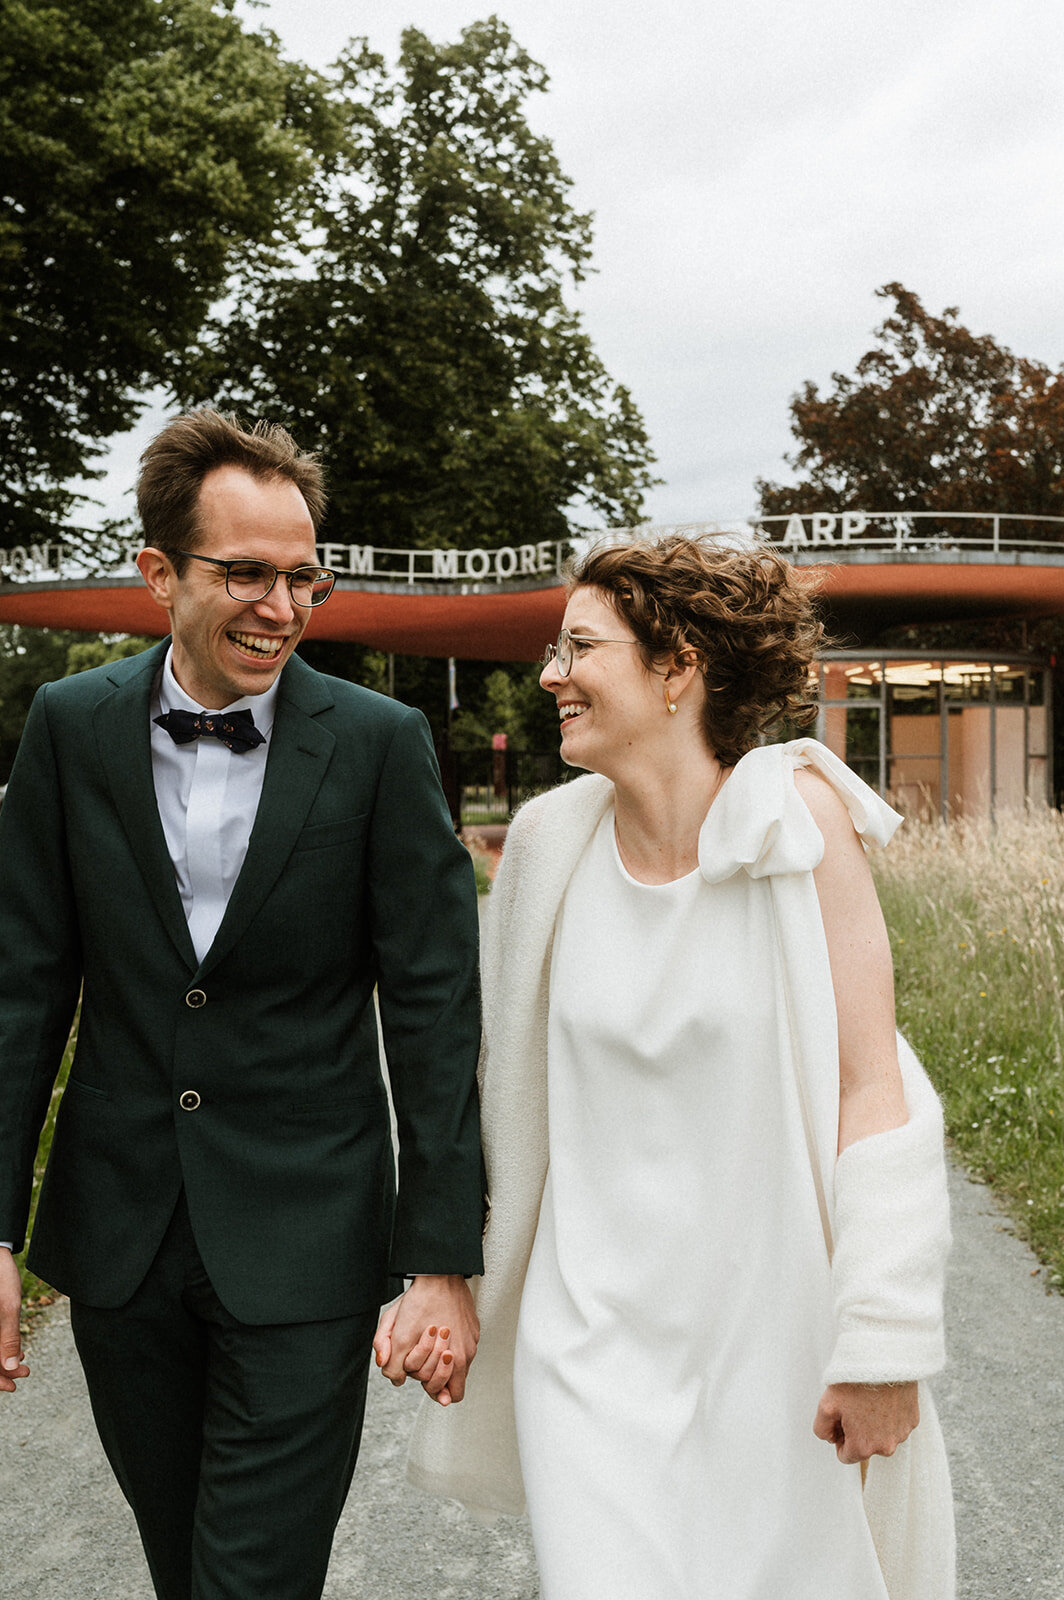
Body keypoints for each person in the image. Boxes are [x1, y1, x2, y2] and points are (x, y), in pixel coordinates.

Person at [406, 535, 954, 1600]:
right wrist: (442, 1273)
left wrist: (881, 1337)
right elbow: (491, 1093)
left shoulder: (795, 821)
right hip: (590, 1350)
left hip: (773, 1342)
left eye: (578, 647)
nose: (549, 673)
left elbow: (870, 1087)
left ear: (675, 667)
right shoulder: (547, 845)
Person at [0, 410, 484, 1600]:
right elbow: (20, 990)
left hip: (307, 1237)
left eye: (301, 577)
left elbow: (432, 1005)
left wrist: (438, 1255)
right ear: (158, 572)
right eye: (247, 573)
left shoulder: (379, 744)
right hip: (121, 1237)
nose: (281, 605)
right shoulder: (69, 728)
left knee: (250, 1580)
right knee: (186, 1568)